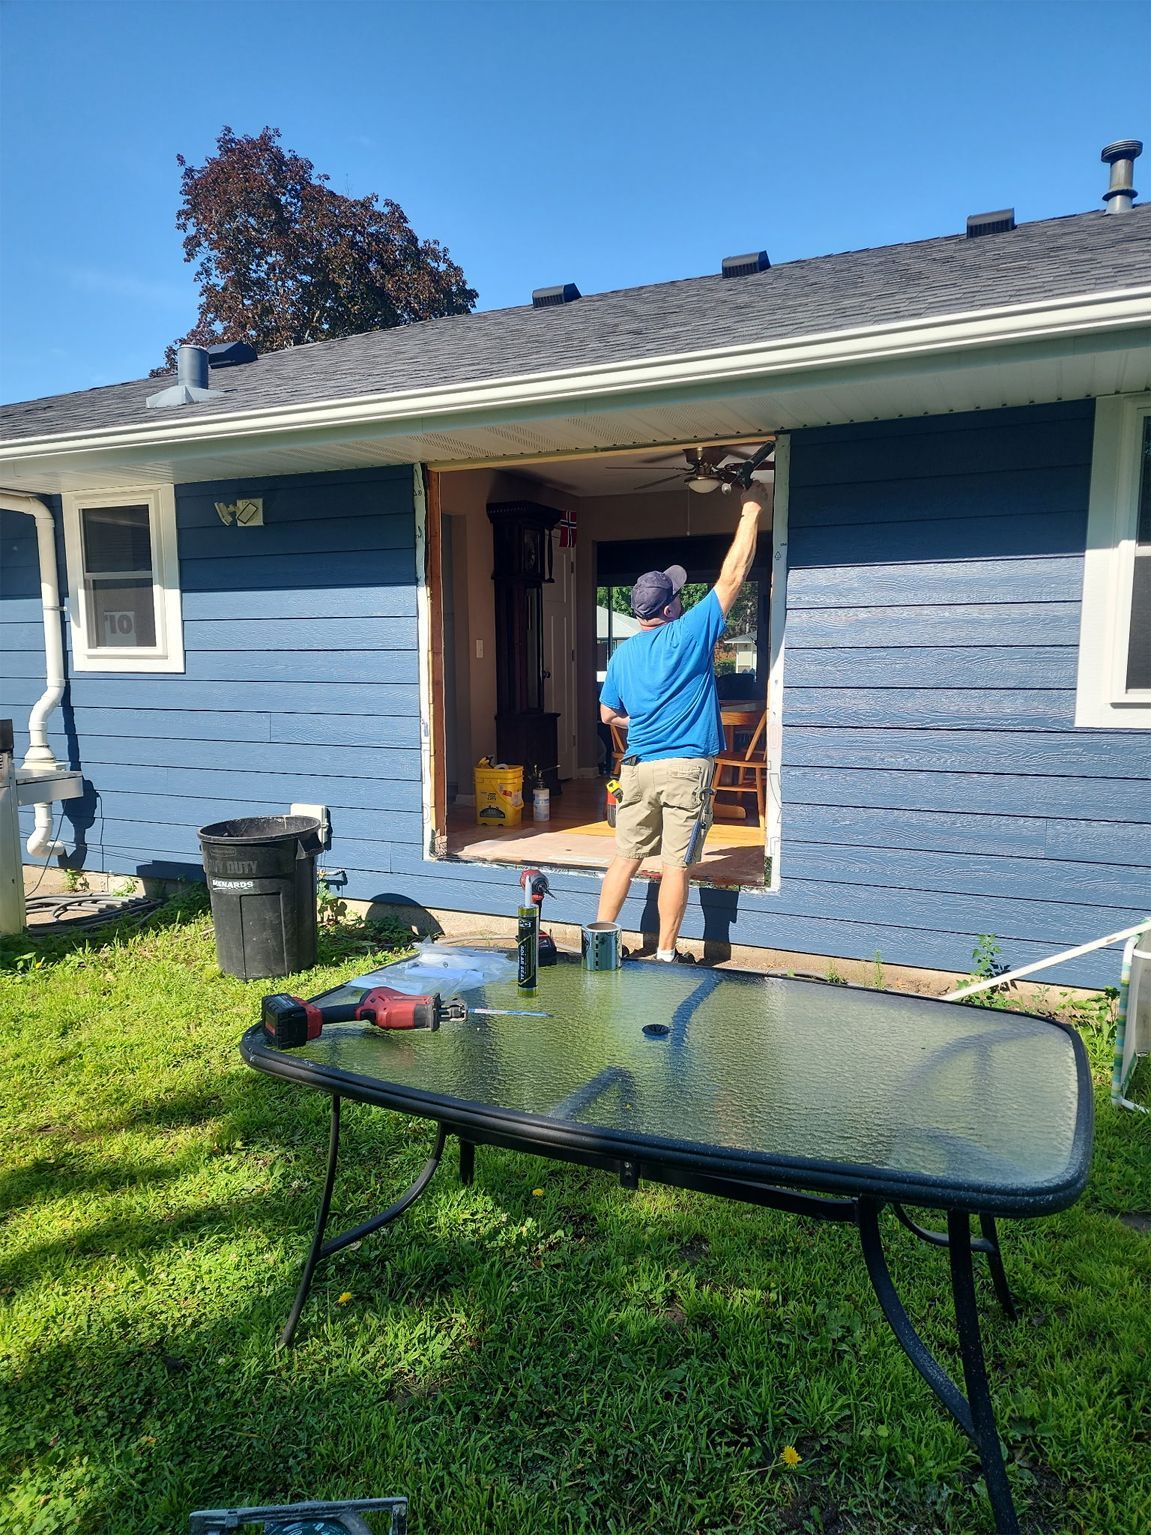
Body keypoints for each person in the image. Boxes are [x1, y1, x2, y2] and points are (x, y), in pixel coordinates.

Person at [596, 482, 769, 959]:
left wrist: (643, 722)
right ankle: (667, 954)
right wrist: (752, 509)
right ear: (670, 608)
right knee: (677, 864)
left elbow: (607, 713)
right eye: (677, 596)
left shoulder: (623, 654)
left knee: (625, 857)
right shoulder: (689, 633)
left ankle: (601, 945)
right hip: (685, 770)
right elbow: (732, 576)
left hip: (636, 769)